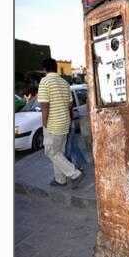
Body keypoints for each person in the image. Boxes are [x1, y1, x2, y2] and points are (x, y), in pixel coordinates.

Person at [37, 58, 84, 188]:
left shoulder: (44, 81)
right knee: (59, 152)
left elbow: (45, 105)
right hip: (65, 123)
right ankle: (60, 179)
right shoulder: (64, 82)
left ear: (44, 69)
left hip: (53, 124)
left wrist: (44, 124)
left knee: (51, 152)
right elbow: (70, 104)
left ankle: (75, 174)